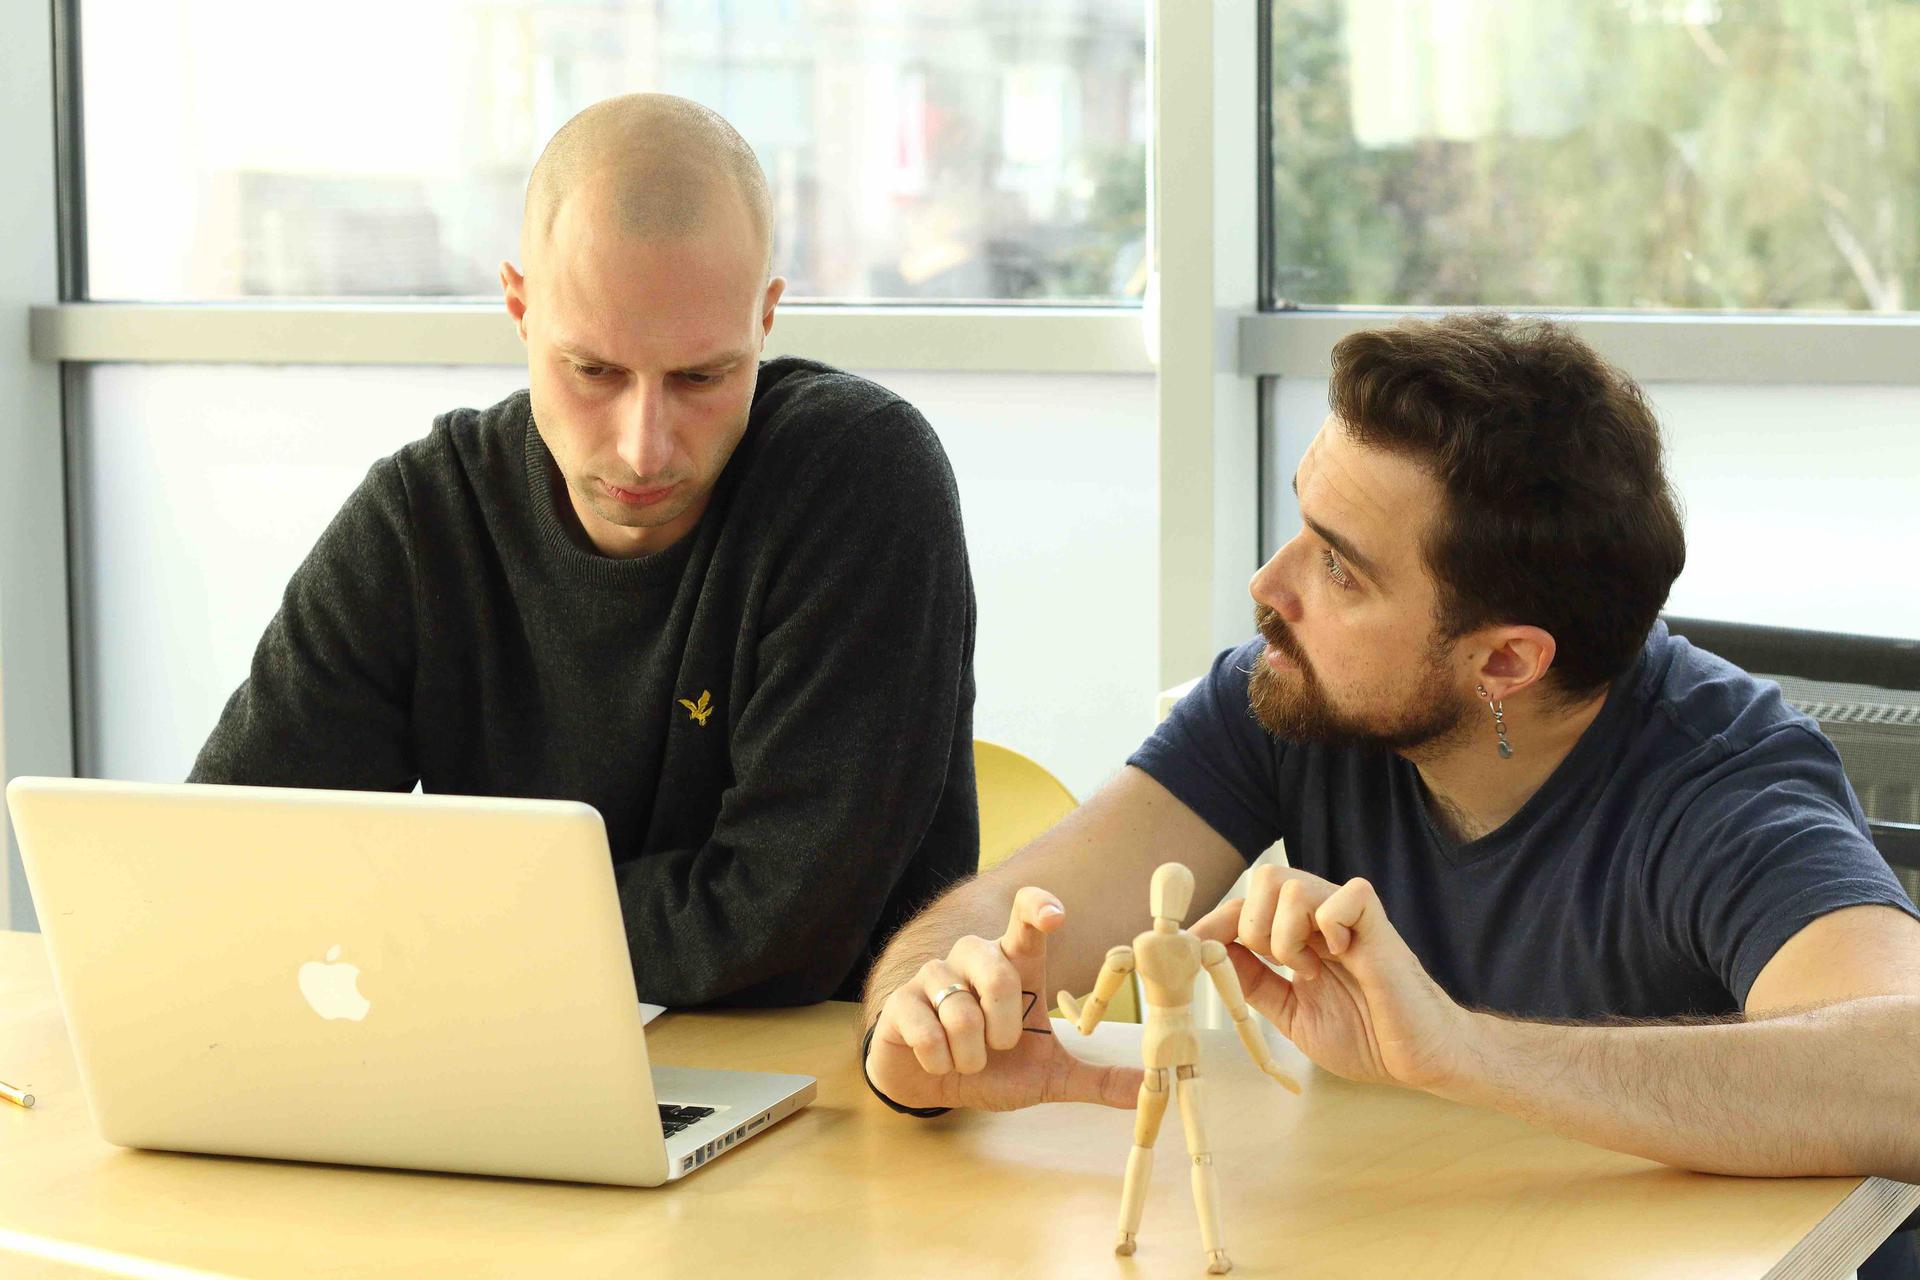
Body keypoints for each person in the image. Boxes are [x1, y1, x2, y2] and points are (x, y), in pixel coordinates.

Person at [861, 314, 1920, 1198]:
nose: (1269, 585)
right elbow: (1004, 915)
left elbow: (1905, 1072)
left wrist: (1460, 1048)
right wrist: (926, 1022)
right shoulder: (1291, 693)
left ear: (1504, 660)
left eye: (1340, 569)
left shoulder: (1722, 783)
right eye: (1302, 523)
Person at [191, 94, 978, 1007]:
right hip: (510, 1047)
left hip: (817, 1070)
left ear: (765, 320)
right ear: (520, 308)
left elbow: (777, 934)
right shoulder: (424, 517)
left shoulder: (858, 481)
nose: (645, 448)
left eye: (702, 377)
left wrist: (430, 922)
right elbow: (233, 860)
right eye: (595, 372)